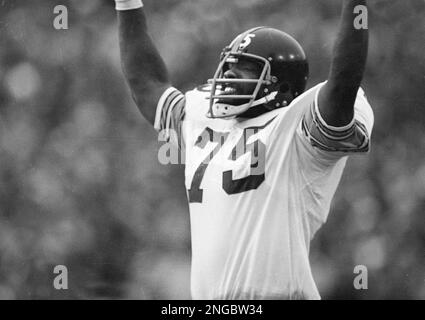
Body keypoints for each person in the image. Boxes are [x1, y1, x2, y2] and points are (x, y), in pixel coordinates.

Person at [115, 0, 374, 300]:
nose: (228, 77)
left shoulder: (296, 132)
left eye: (246, 69)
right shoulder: (201, 115)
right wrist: (127, 2)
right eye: (229, 66)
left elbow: (343, 86)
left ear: (283, 88)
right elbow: (146, 83)